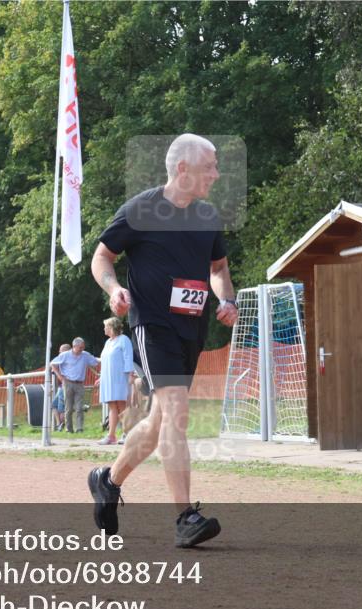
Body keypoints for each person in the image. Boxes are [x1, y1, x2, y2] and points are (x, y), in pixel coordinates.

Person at [88, 133, 238, 548]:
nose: (216, 173)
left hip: (192, 329)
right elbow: (102, 257)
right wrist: (113, 289)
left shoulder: (207, 217)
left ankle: (108, 480)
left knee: (158, 423)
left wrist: (226, 298)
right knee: (176, 412)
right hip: (152, 327)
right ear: (183, 168)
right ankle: (185, 517)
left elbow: (219, 268)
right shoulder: (142, 209)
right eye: (209, 165)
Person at [96, 317, 134, 445]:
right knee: (112, 406)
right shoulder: (108, 342)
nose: (104, 328)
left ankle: (127, 433)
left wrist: (130, 374)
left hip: (120, 377)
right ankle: (111, 436)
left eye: (106, 326)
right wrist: (101, 377)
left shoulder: (124, 340)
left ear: (112, 327)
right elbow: (106, 361)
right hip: (108, 378)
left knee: (122, 405)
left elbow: (128, 357)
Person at [50, 337, 99, 433]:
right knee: (68, 407)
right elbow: (53, 364)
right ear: (74, 346)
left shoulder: (85, 355)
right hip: (68, 383)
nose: (82, 349)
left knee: (79, 407)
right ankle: (69, 429)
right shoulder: (65, 355)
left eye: (83, 347)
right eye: (80, 347)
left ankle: (79, 428)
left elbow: (95, 362)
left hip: (80, 384)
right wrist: (60, 377)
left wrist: (96, 365)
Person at [51, 343, 71, 431]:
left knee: (61, 408)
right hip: (60, 387)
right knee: (53, 405)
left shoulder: (68, 360)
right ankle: (60, 424)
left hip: (65, 386)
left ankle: (63, 425)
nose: (59, 352)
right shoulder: (60, 360)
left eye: (61, 351)